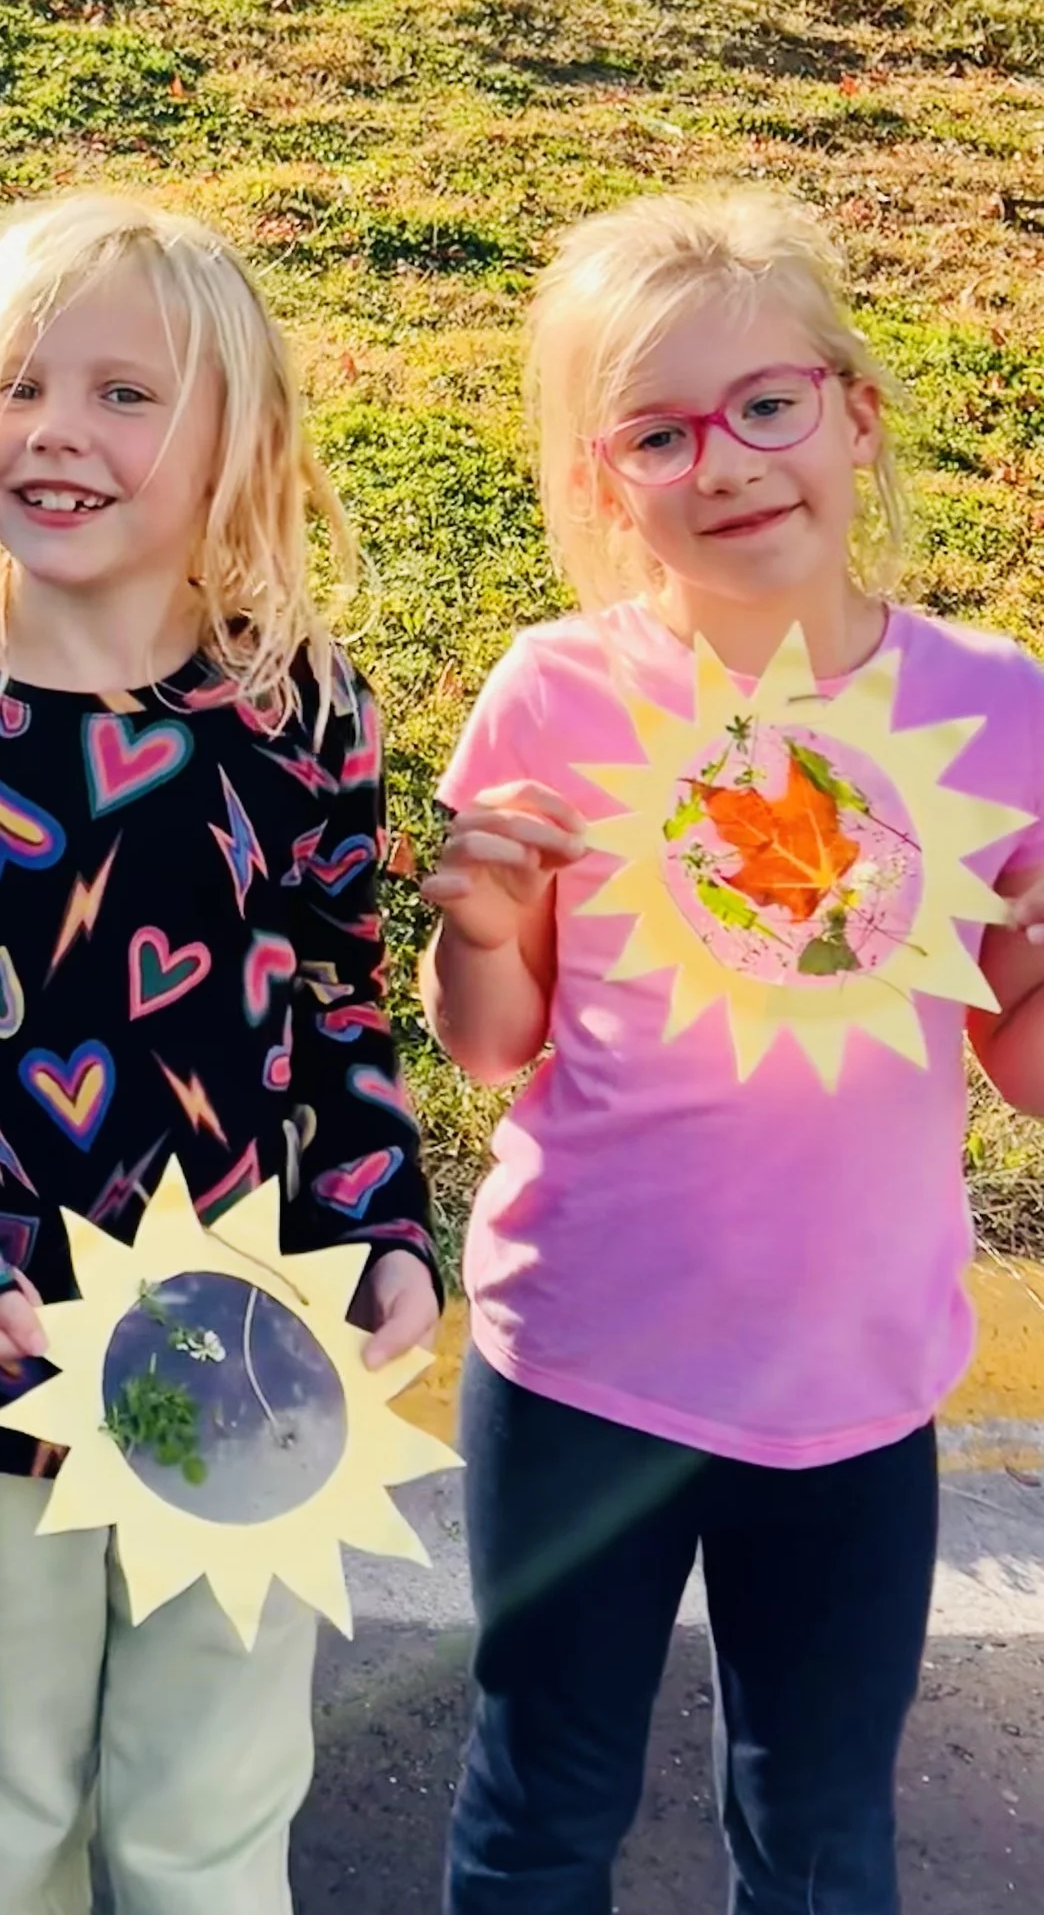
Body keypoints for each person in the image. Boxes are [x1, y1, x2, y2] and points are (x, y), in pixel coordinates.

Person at [0, 186, 440, 1915]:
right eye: (19, 385)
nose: (58, 433)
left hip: (248, 1358)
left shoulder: (301, 714)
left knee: (207, 1811)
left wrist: (382, 1221)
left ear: (238, 439)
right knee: (11, 1800)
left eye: (125, 393)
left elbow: (335, 997)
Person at [425, 187, 1044, 1915]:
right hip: (578, 1366)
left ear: (855, 411)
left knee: (823, 1822)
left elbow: (1025, 1066)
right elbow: (494, 1047)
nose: (729, 461)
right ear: (602, 484)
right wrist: (474, 928)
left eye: (768, 404)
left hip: (853, 1384)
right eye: (659, 432)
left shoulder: (998, 709)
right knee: (543, 1801)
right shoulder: (555, 693)